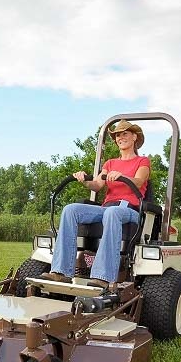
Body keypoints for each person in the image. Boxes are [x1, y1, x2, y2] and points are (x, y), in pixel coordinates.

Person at [40, 119, 151, 289]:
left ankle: (103, 276)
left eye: (124, 134)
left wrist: (121, 176)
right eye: (117, 136)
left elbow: (138, 181)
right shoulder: (110, 163)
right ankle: (61, 272)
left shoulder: (142, 161)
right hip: (107, 208)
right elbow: (97, 185)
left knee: (112, 213)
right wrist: (84, 180)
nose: (120, 138)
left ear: (134, 137)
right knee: (71, 210)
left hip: (129, 209)